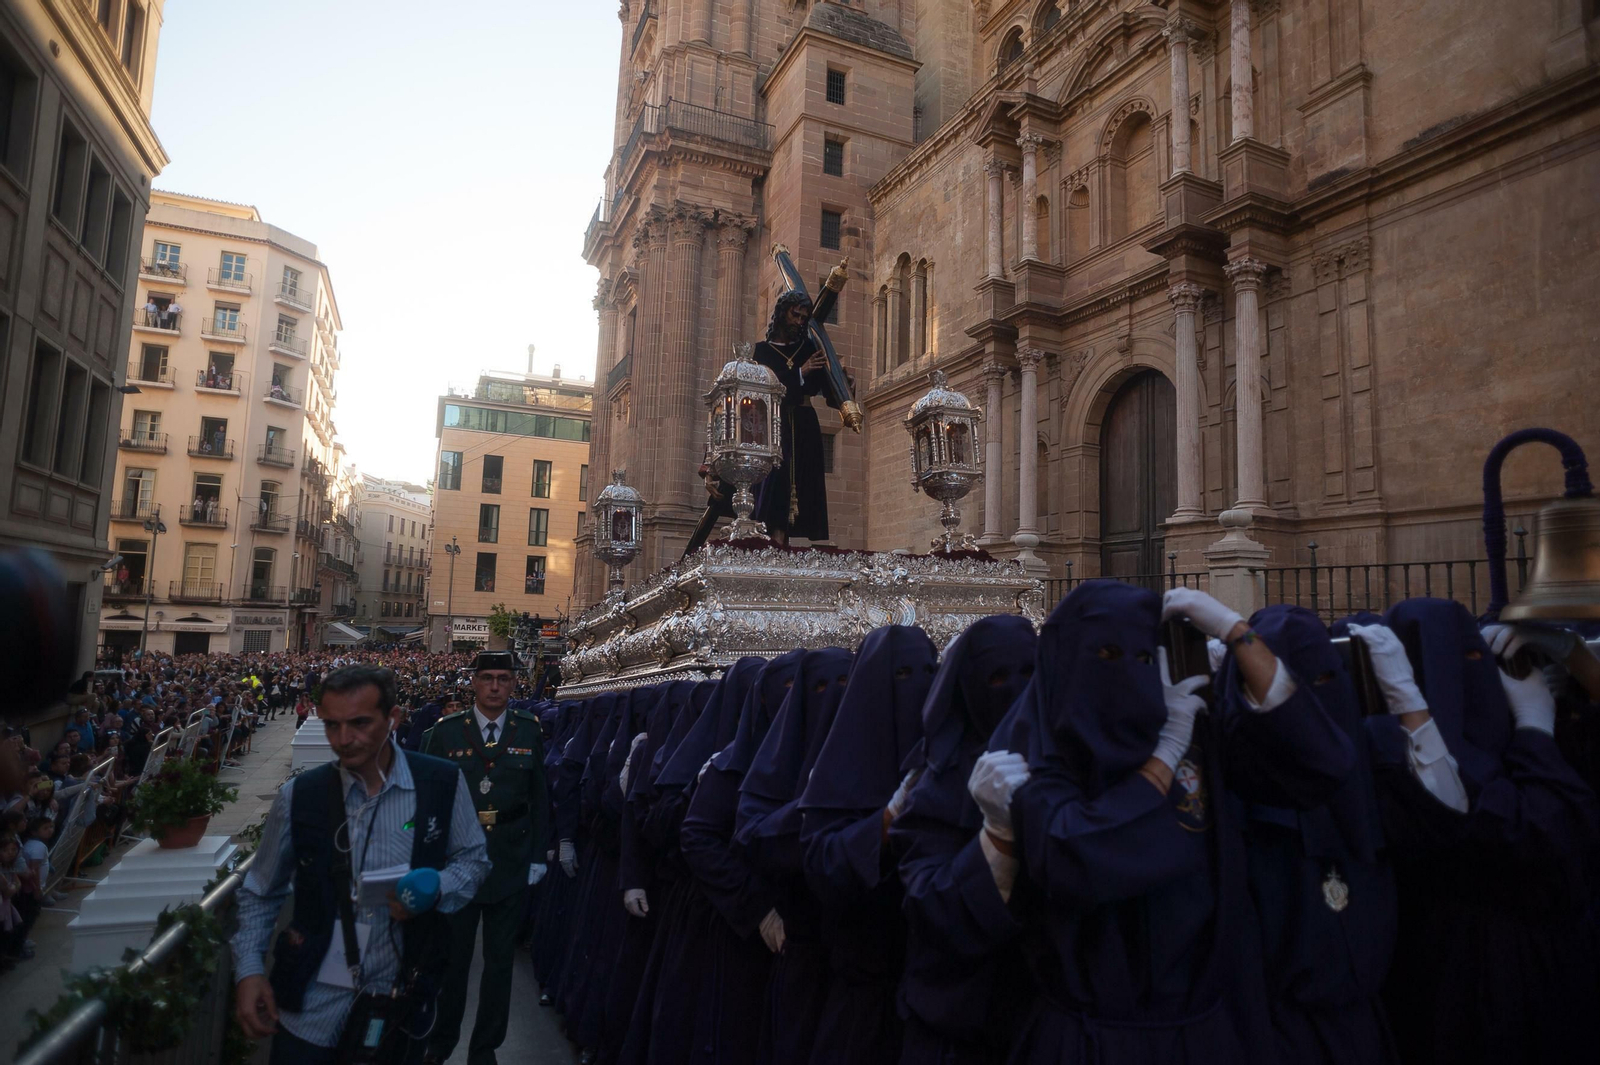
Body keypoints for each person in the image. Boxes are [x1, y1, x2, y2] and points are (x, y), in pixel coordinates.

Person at [984, 582, 1354, 1064]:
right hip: (1095, 1041)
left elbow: (1319, 765)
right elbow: (1077, 854)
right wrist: (1165, 754)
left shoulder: (1191, 727)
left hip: (1206, 1030)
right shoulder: (1041, 747)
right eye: (1109, 653)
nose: (1129, 671)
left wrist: (1237, 632)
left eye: (1144, 656)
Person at [1350, 600, 1600, 1065]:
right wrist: (1535, 731)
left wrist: (1574, 662)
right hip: (1477, 983)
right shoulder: (1405, 757)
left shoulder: (1484, 738)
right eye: (1462, 660)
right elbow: (1544, 831)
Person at [232, 664, 490, 1065]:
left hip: (398, 1005)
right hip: (308, 1012)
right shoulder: (299, 796)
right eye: (332, 725)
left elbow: (473, 860)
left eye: (359, 723)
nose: (344, 739)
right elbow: (260, 891)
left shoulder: (440, 783)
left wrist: (435, 887)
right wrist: (249, 969)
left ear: (393, 720)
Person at [892, 615, 1038, 1065]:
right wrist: (997, 839)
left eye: (1030, 674)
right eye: (996, 677)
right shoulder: (940, 779)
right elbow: (929, 904)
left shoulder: (1063, 758)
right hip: (960, 1023)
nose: (1015, 691)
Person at [797, 626, 939, 1065]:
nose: (915, 687)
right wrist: (884, 823)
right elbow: (820, 863)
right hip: (861, 990)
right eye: (901, 675)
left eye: (928, 673)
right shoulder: (836, 764)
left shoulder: (945, 755)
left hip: (935, 993)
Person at [422, 651, 549, 1065]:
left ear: (515, 684)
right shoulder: (445, 732)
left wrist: (539, 853)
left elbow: (540, 797)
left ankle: (484, 1050)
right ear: (473, 683)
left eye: (504, 679)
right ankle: (440, 1044)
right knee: (452, 962)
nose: (495, 687)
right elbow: (428, 799)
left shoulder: (529, 730)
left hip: (509, 859)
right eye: (488, 678)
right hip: (458, 859)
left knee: (499, 965)